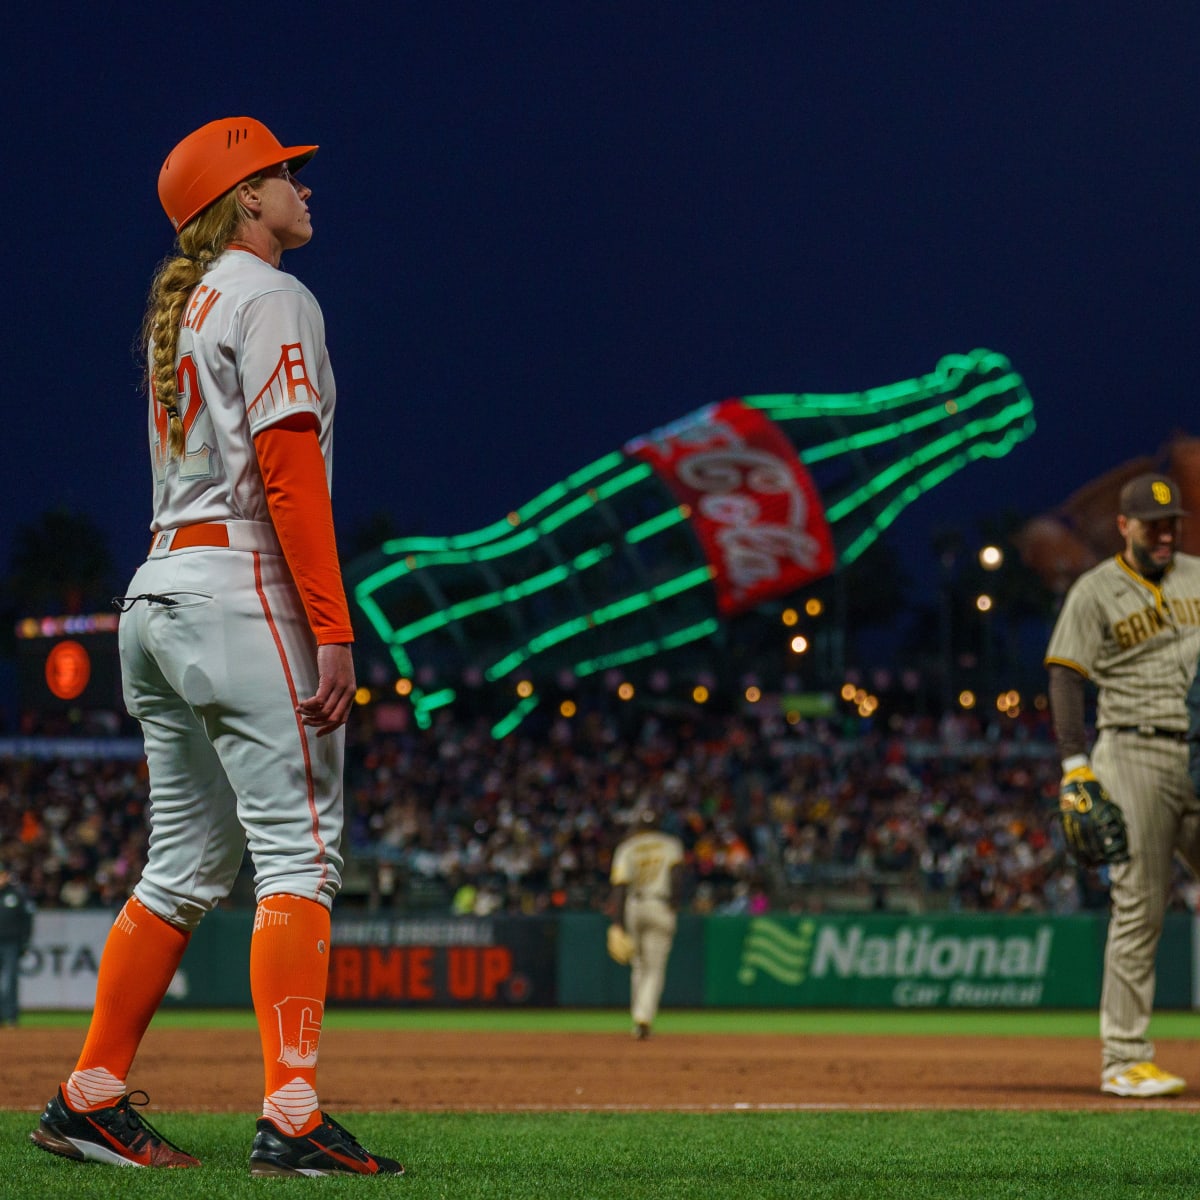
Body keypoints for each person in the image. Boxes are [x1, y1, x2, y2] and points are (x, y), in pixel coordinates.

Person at [28, 116, 403, 1176]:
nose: (302, 185)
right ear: (245, 199)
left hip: (155, 595)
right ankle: (291, 1117)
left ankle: (90, 1096)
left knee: (183, 865)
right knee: (301, 857)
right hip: (244, 586)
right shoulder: (272, 292)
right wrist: (333, 625)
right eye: (286, 172)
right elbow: (287, 467)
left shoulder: (189, 304)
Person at [1045, 472, 1200, 1098]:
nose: (1165, 532)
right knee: (1140, 903)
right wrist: (1074, 766)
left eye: (1173, 523)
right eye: (1153, 524)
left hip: (1196, 750)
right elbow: (1064, 676)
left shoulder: (1196, 574)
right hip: (1132, 750)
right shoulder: (1095, 590)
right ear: (1124, 527)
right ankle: (1124, 1058)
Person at [609, 806, 685, 1039]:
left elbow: (620, 887)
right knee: (654, 968)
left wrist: (617, 923)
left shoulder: (628, 847)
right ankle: (643, 1018)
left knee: (639, 966)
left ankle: (638, 1018)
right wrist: (673, 905)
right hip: (659, 904)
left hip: (634, 905)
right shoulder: (671, 844)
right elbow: (677, 878)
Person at [0, 863, 35, 1028]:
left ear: (6, 876)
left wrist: (25, 942)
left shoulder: (17, 895)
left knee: (10, 980)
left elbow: (27, 921)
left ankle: (11, 1016)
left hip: (11, 943)